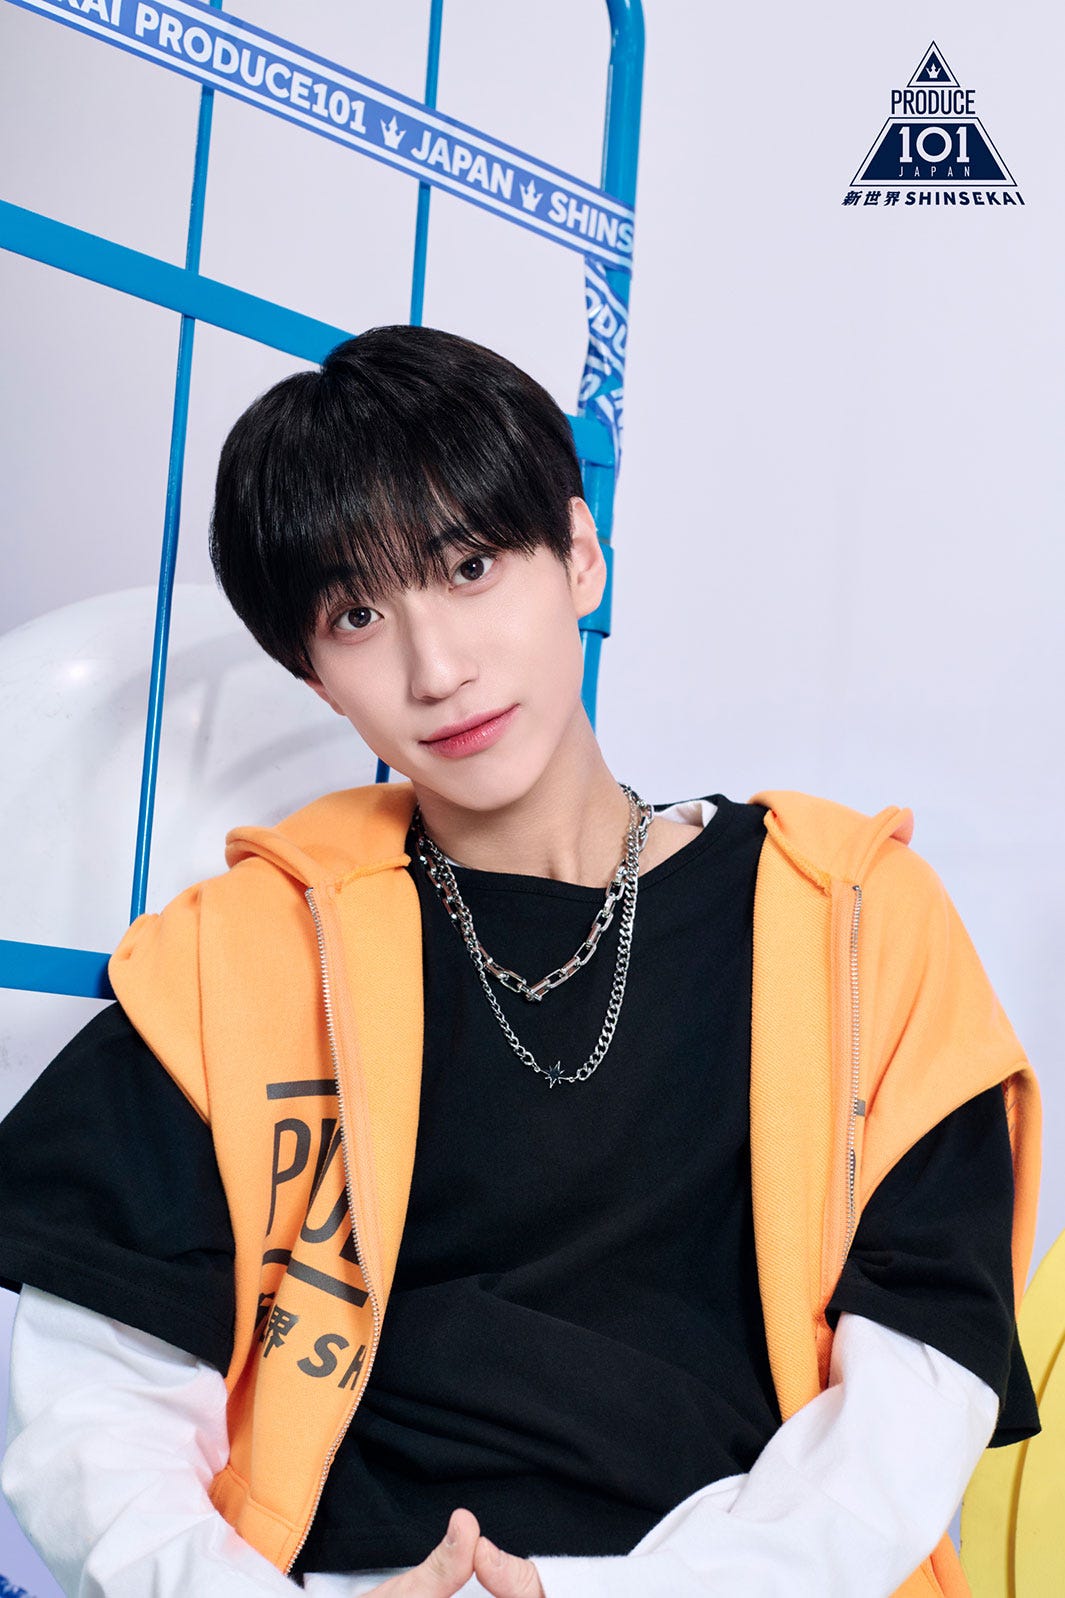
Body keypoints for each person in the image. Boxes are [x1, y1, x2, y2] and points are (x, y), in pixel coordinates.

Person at [0, 325, 1042, 1598]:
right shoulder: (243, 954)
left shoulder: (856, 917)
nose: (438, 667)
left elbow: (919, 1388)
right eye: (358, 614)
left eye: (472, 566)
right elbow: (93, 1405)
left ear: (580, 555)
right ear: (315, 677)